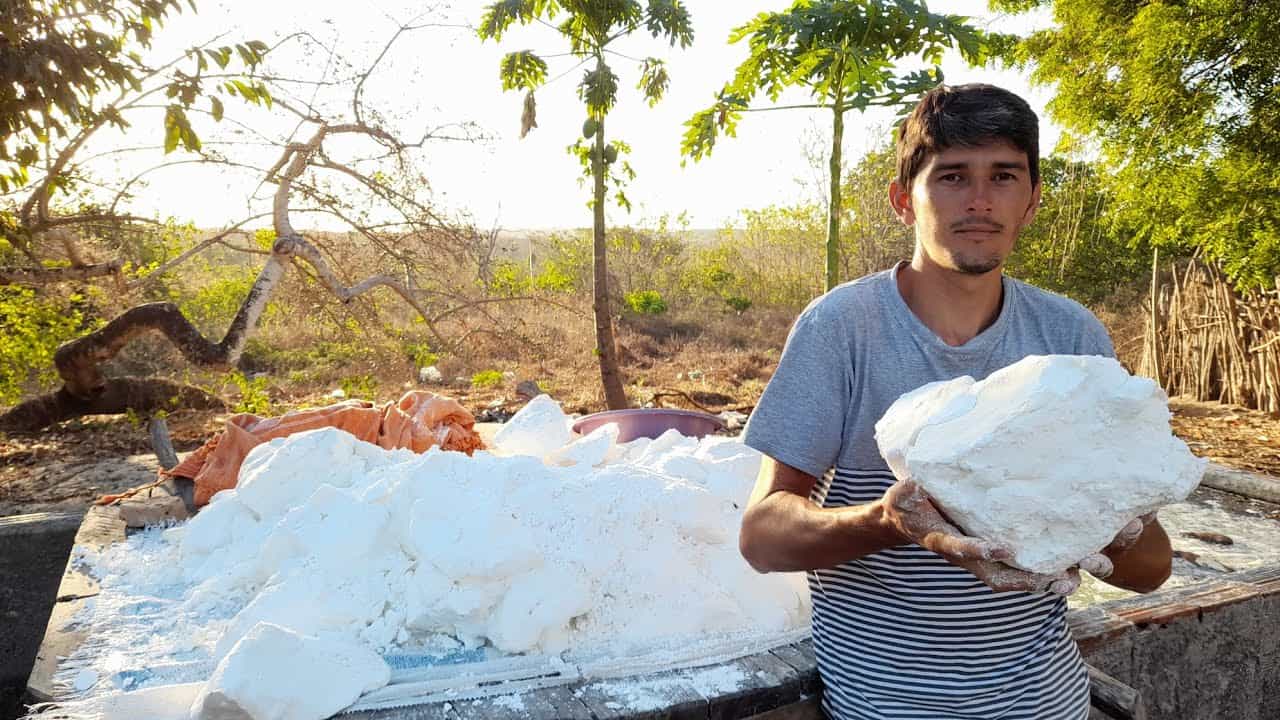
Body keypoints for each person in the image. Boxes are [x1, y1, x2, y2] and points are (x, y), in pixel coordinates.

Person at [739, 83, 1172, 720]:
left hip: (1047, 702)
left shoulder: (1070, 338)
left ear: (1031, 201)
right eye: (951, 176)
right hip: (886, 705)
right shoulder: (842, 329)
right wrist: (889, 523)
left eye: (1004, 176)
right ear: (902, 201)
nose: (979, 200)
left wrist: (1110, 527)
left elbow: (1152, 568)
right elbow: (763, 537)